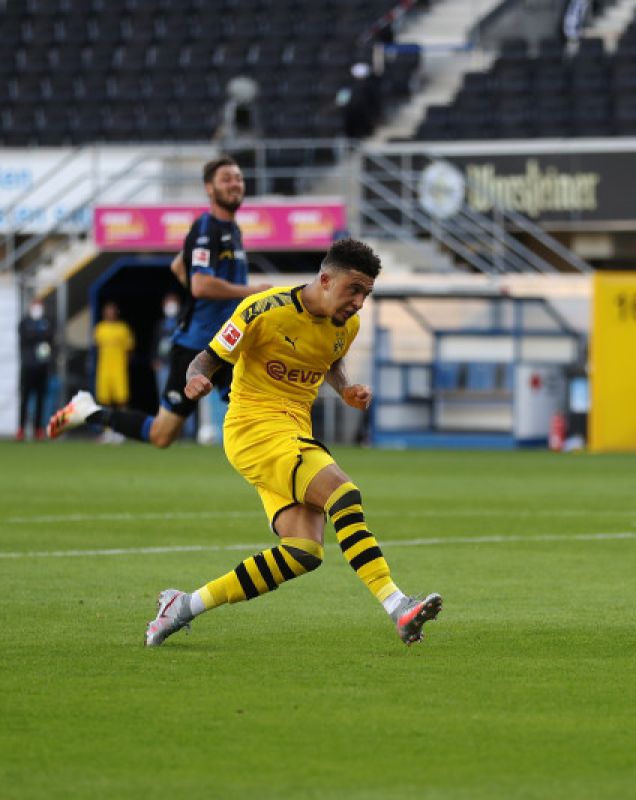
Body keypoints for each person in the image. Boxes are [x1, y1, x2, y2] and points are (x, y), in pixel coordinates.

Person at [144, 238, 442, 647]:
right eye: (353, 289)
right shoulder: (264, 309)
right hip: (254, 429)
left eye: (366, 294)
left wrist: (344, 388)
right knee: (343, 494)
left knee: (303, 552)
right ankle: (398, 606)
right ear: (324, 279)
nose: (358, 302)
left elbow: (329, 358)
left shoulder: (347, 325)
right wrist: (196, 378)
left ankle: (181, 606)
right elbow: (207, 357)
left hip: (293, 432)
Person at [48, 156, 271, 444]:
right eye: (226, 179)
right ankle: (88, 412)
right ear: (209, 188)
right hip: (196, 346)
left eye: (238, 178)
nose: (235, 184)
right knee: (161, 434)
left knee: (257, 416)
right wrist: (251, 293)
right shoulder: (207, 228)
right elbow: (201, 285)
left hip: (228, 342)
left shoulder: (232, 229)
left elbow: (180, 265)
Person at [16, 299, 53, 441]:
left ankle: (38, 429)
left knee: (40, 398)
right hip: (28, 366)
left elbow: (50, 337)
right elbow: (26, 337)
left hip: (42, 367)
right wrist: (39, 335)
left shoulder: (47, 321)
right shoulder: (25, 322)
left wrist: (39, 335)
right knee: (25, 398)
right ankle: (21, 429)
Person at [92, 301, 134, 424]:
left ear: (116, 312)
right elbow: (95, 348)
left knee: (122, 400)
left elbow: (130, 349)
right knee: (105, 401)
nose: (110, 313)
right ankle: (107, 429)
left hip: (119, 369)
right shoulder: (100, 328)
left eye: (112, 310)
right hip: (104, 370)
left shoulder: (123, 328)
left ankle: (123, 428)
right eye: (108, 310)